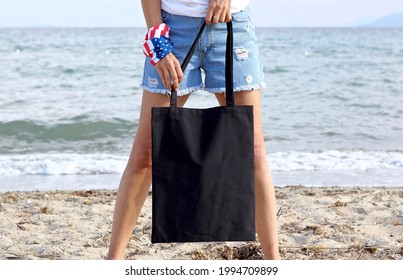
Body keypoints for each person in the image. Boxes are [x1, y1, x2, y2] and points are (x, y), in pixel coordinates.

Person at [106, 0, 281, 260]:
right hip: (173, 30)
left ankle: (274, 262)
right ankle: (113, 261)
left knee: (252, 152)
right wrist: (157, 41)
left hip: (232, 25)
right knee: (146, 153)